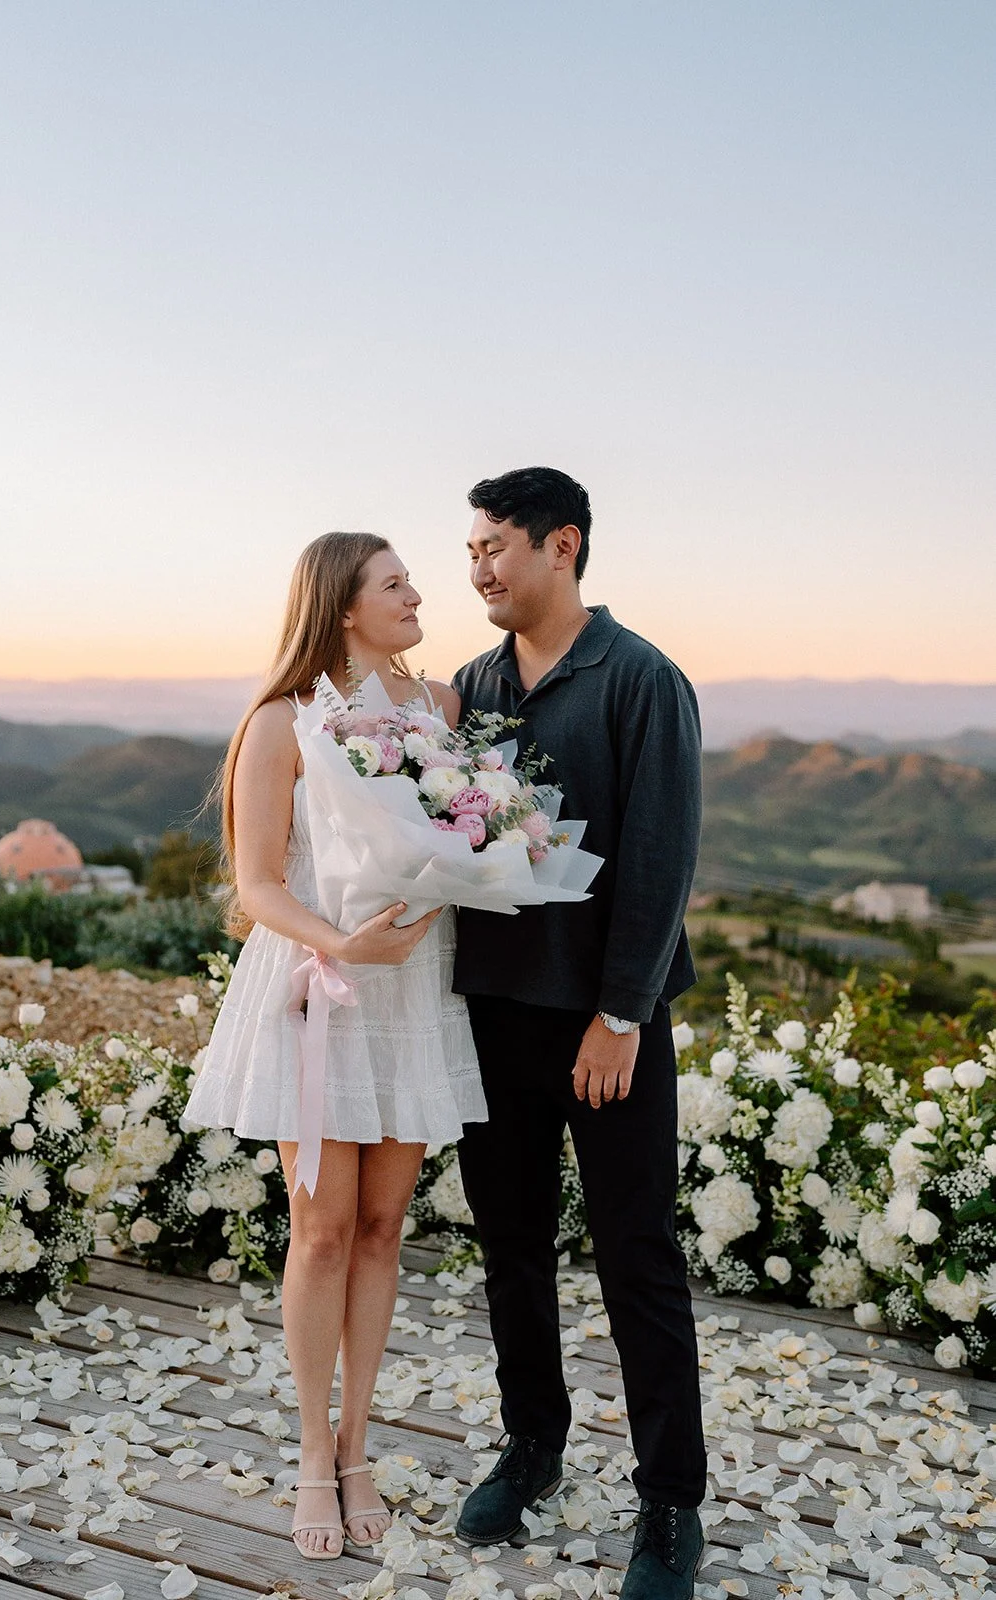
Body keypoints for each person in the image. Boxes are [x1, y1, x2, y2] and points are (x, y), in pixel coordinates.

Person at [183, 531, 486, 1561]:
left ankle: (360, 1446)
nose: (416, 595)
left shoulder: (438, 709)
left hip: (411, 985)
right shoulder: (276, 721)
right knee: (318, 1230)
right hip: (319, 978)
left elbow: (466, 834)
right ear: (343, 605)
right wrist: (339, 944)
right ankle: (313, 1453)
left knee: (381, 1228)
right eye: (395, 583)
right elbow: (258, 883)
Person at [450, 469, 707, 1600]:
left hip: (608, 1025)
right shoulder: (469, 684)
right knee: (508, 1245)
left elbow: (659, 859)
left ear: (562, 546)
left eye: (495, 545)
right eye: (466, 550)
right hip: (494, 1012)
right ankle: (532, 1446)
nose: (477, 568)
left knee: (634, 1256)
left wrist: (619, 1015)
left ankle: (668, 1501)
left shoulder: (642, 678)